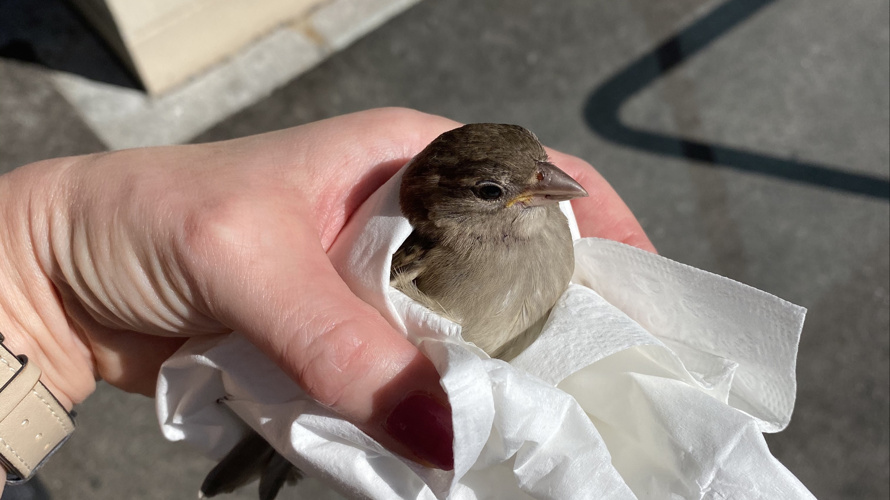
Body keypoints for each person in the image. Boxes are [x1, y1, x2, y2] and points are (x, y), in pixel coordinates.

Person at [0, 108, 654, 494]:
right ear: (443, 209)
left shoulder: (550, 233)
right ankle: (273, 454)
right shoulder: (426, 249)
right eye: (494, 190)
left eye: (538, 165)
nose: (550, 186)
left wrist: (34, 301)